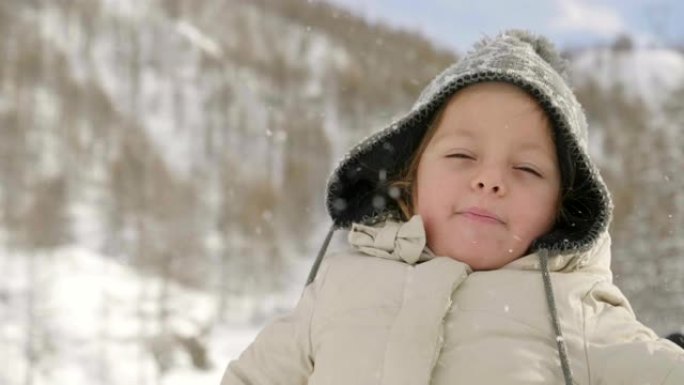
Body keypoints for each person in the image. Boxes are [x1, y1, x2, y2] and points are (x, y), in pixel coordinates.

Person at [221, 30, 684, 385]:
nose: (490, 179)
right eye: (462, 156)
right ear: (409, 181)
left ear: (564, 209)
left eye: (527, 168)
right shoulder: (338, 288)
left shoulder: (581, 314)